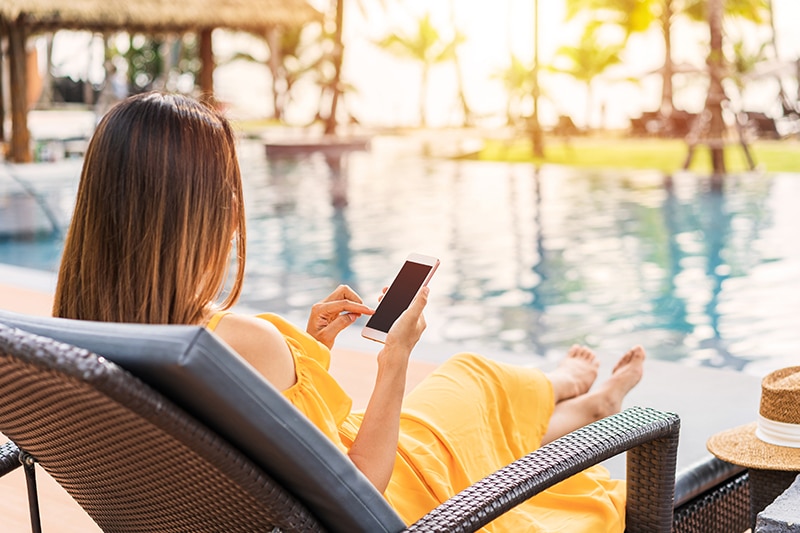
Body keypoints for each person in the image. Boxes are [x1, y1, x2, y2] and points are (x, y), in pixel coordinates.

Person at [53, 91, 646, 532]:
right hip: (376, 500)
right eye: (227, 189)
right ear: (200, 211)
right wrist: (395, 359)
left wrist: (312, 353)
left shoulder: (74, 336)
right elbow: (359, 489)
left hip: (265, 501)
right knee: (470, 381)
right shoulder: (238, 343)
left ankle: (579, 401)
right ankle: (575, 394)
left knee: (466, 408)